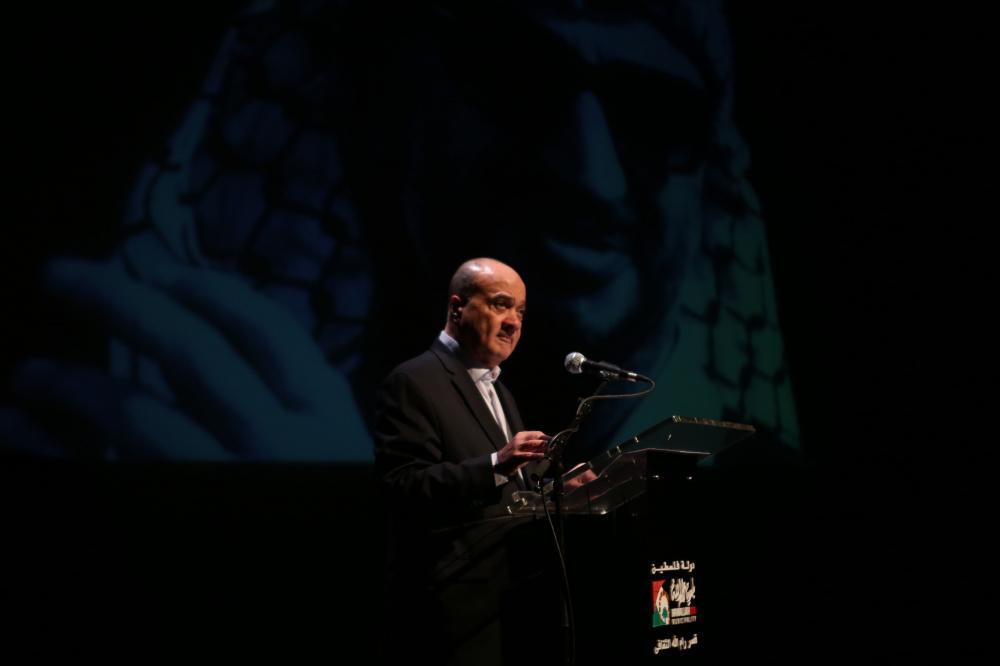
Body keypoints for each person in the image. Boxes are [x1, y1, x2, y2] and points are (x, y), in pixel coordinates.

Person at [373, 257, 554, 665]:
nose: (513, 322)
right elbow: (402, 485)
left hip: (507, 600)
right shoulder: (413, 380)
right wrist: (496, 464)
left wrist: (560, 488)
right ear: (457, 308)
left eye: (520, 312)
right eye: (501, 304)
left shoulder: (500, 390)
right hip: (448, 611)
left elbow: (511, 488)